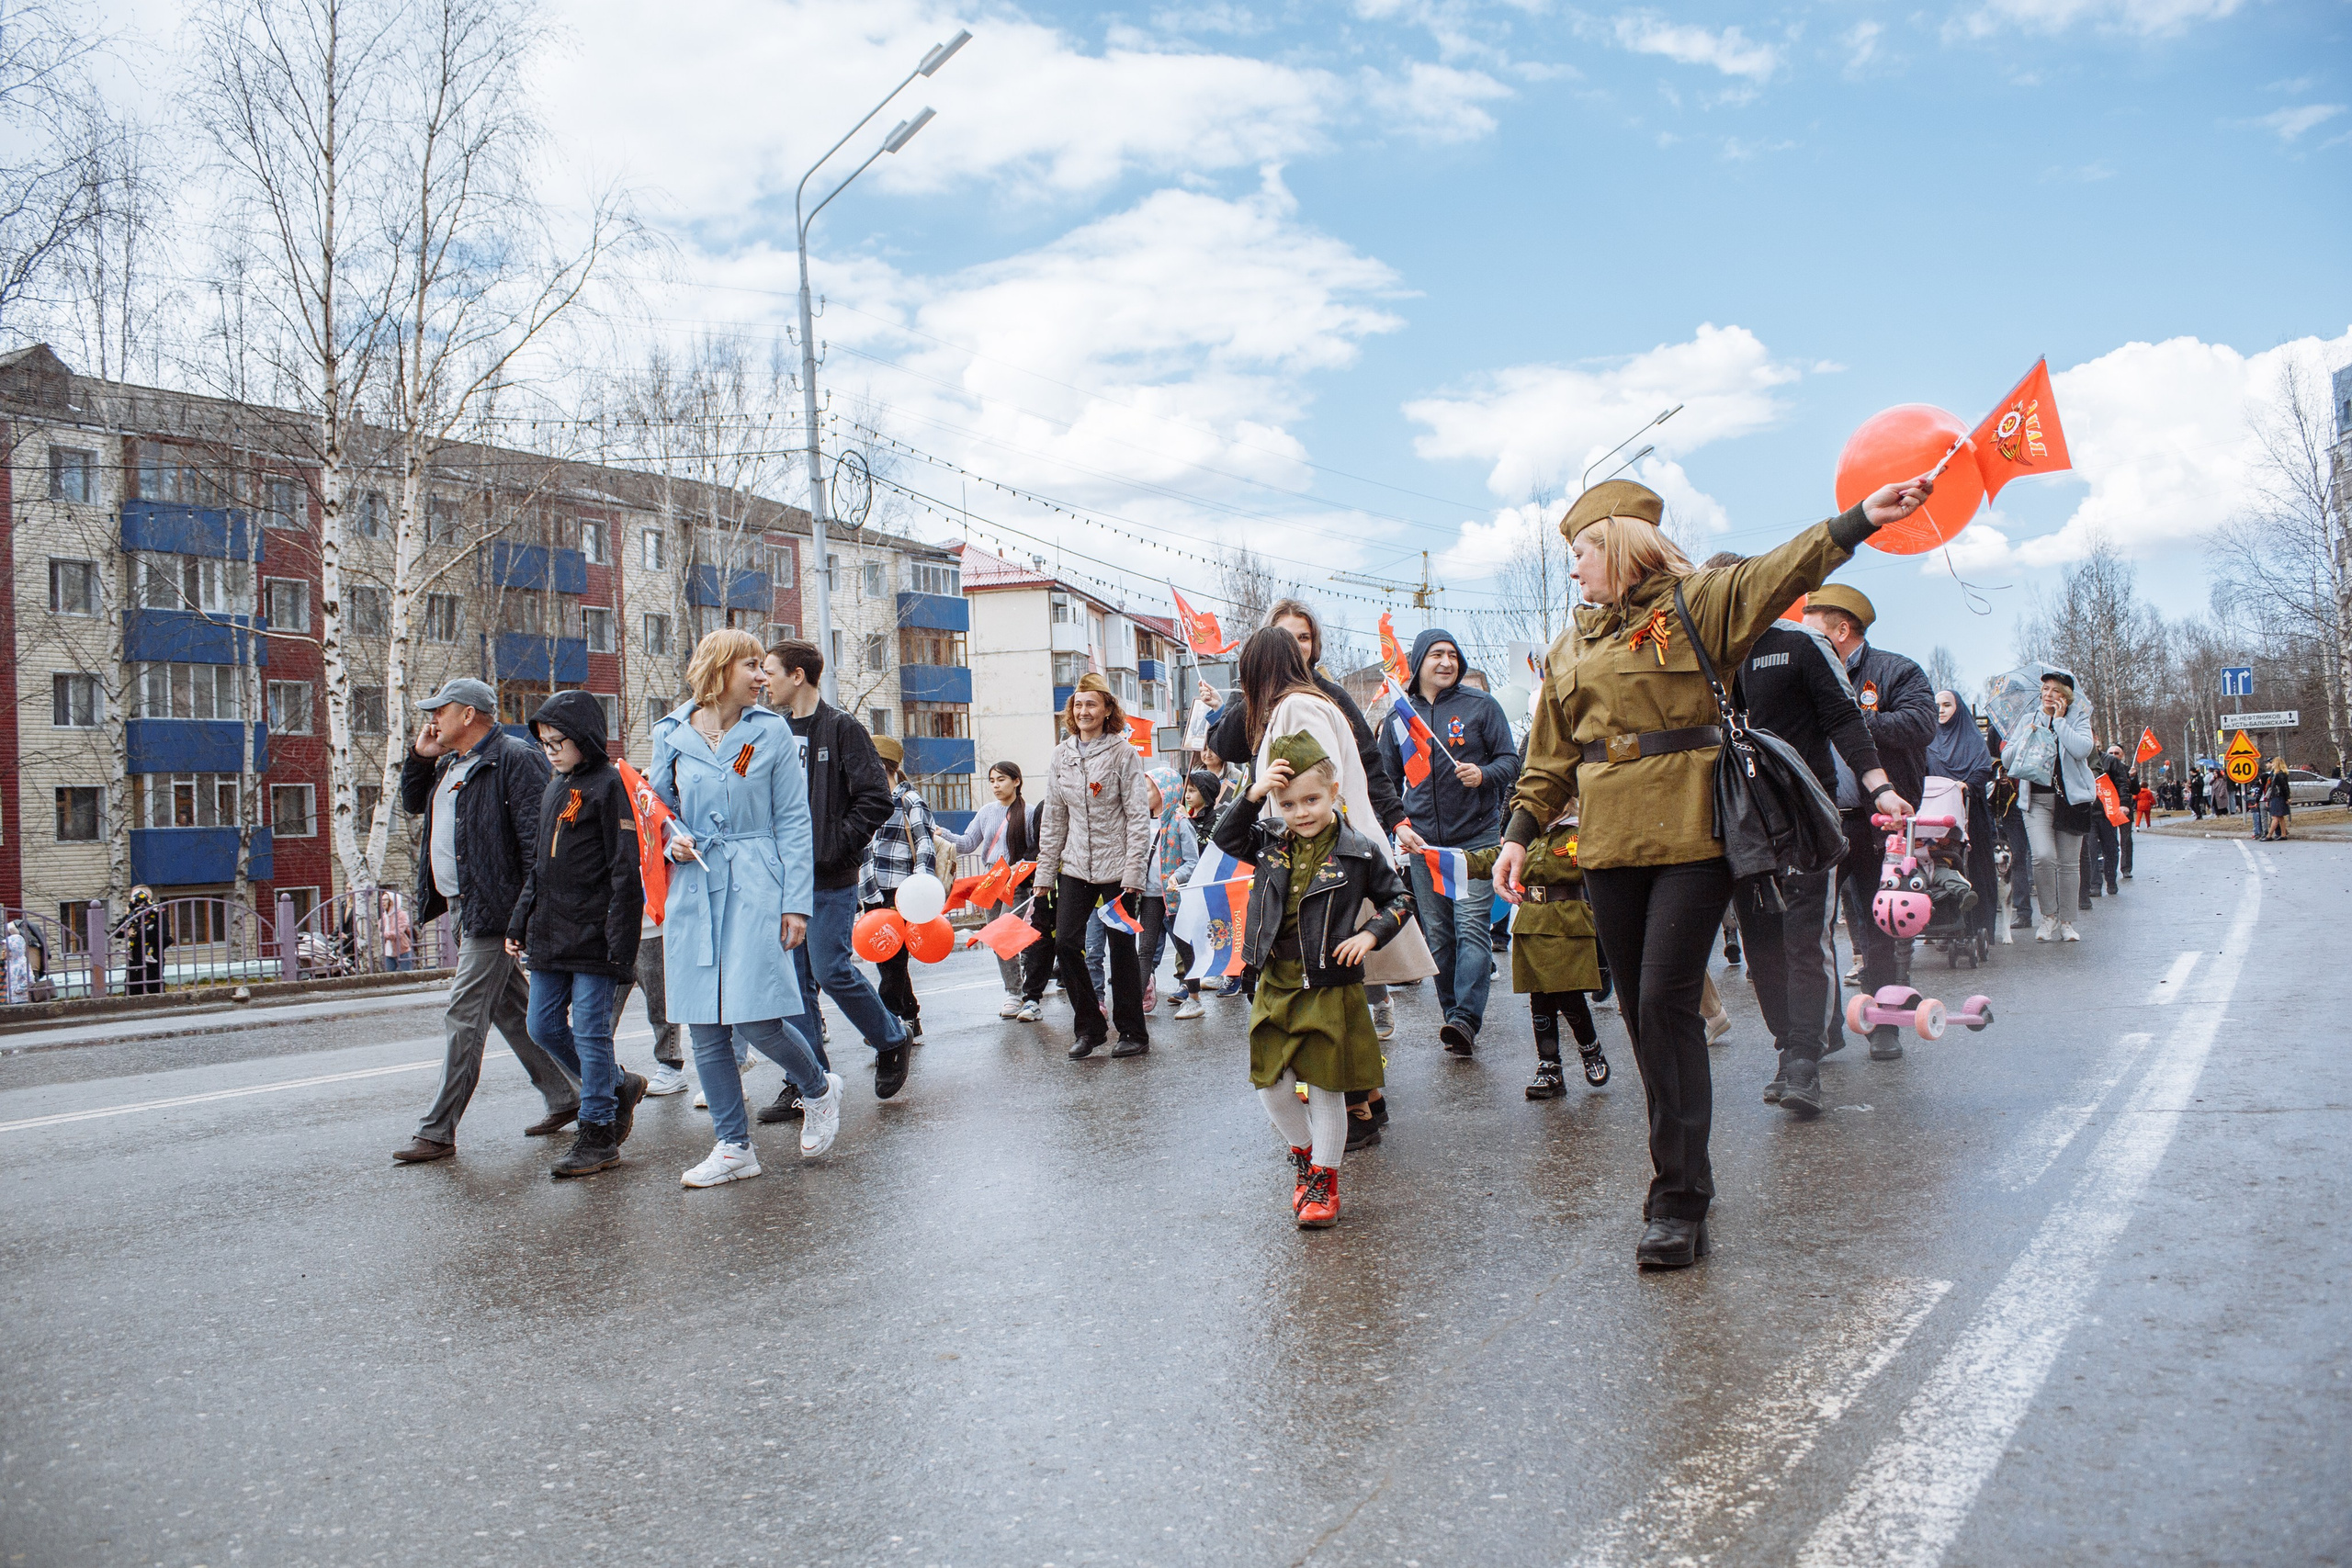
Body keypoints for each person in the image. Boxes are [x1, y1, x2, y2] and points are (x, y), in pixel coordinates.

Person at [1495, 472, 1935, 1269]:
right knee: (1642, 1020)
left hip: (1694, 832)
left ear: (1622, 545)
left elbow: (1779, 570)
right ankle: (1685, 1171)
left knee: (1665, 1002)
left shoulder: (1697, 604)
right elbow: (1549, 758)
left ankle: (1677, 1200)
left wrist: (1858, 520)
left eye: (1585, 548)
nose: (1575, 565)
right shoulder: (1570, 645)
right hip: (1609, 843)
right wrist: (1519, 833)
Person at [1701, 550, 1903, 1116]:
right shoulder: (1701, 660)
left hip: (1804, 817)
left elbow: (1845, 719)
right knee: (1762, 945)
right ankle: (1789, 1043)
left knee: (1802, 941)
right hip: (1740, 824)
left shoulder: (1800, 644)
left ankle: (1802, 1063)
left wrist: (1880, 786)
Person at [651, 629, 845, 1185]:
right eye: (751, 665)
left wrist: (796, 904)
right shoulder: (670, 732)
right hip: (695, 883)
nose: (763, 676)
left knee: (757, 1016)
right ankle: (734, 1147)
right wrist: (671, 840)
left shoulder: (772, 731)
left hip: (756, 880)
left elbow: (794, 820)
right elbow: (656, 807)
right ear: (719, 669)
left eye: (764, 666)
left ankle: (817, 1089)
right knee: (704, 1025)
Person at [1216, 729, 1412, 1229]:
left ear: (1334, 793)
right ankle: (1306, 1156)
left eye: (1311, 800)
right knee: (1271, 1084)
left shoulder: (1358, 850)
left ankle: (1325, 1180)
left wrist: (1370, 935)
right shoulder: (1268, 841)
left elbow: (1400, 899)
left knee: (1326, 1088)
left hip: (1329, 983)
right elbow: (1224, 837)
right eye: (1287, 803)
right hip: (1275, 980)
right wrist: (1254, 793)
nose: (1300, 812)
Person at [1206, 598, 1416, 1039]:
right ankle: (1332, 1048)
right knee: (1324, 952)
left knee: (1327, 953)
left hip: (1319, 850)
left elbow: (1319, 783)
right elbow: (1228, 746)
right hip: (1314, 847)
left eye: (1304, 636)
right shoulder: (1285, 703)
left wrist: (1312, 845)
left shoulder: (1299, 705)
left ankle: (1338, 1053)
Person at [392, 678, 579, 1164]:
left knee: (464, 1014)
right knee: (512, 1011)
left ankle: (437, 1130)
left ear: (469, 714)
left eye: (441, 710)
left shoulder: (514, 758)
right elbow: (412, 804)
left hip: (498, 910)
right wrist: (420, 757)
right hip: (464, 904)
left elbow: (538, 839)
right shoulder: (450, 763)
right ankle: (574, 1092)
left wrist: (526, 911)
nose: (433, 719)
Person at [757, 639, 915, 1113]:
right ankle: (809, 1082)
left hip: (829, 877)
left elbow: (875, 798)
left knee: (831, 969)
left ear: (798, 675)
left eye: (770, 672)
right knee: (795, 984)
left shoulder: (842, 727)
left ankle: (892, 1037)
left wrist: (834, 846)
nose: (763, 681)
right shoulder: (772, 730)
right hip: (782, 878)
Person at [505, 691, 649, 1179]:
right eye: (544, 743)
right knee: (542, 1026)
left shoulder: (610, 785)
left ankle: (598, 1132)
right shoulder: (555, 787)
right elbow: (539, 868)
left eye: (558, 742)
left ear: (584, 738)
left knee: (590, 1031)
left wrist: (620, 942)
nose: (550, 752)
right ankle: (618, 1083)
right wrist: (520, 921)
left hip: (596, 934)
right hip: (550, 931)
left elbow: (625, 870)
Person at [1803, 586, 1937, 1064]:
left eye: (1812, 628)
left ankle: (1884, 1022)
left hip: (1877, 823)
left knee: (1880, 926)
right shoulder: (1802, 673)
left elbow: (1920, 725)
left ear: (1841, 630)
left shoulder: (1897, 671)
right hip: (1820, 819)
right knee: (1810, 929)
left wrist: (1848, 719)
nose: (1802, 636)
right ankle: (1822, 1031)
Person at [1377, 626, 1519, 1056]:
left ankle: (1466, 1019)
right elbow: (1385, 781)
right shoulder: (1400, 718)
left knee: (1472, 928)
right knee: (1439, 936)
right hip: (1424, 846)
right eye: (1436, 654)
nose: (1446, 662)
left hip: (1476, 840)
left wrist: (1484, 774)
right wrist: (1398, 825)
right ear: (1419, 661)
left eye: (1452, 654)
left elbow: (1511, 761)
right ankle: (1452, 1016)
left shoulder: (1481, 706)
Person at [1037, 671, 1155, 1059]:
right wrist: (1044, 874)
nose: (1083, 710)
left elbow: (1138, 816)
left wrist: (1135, 873)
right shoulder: (1061, 755)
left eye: (1092, 704)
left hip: (1118, 868)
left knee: (1121, 949)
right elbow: (1054, 818)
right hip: (1075, 867)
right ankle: (1090, 1027)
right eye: (1078, 704)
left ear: (1107, 709)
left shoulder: (1123, 753)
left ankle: (1132, 1032)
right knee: (1066, 943)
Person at [1465, 812, 1608, 1100]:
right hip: (1531, 924)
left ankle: (1589, 1048)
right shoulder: (1524, 834)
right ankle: (1549, 1067)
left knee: (1568, 992)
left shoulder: (1582, 830)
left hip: (1569, 923)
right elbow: (1491, 859)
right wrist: (1436, 856)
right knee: (1539, 998)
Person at [2001, 668, 2097, 943]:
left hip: (2071, 801)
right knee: (2042, 857)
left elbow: (2082, 750)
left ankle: (2067, 922)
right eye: (2045, 690)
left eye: (2055, 690)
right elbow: (2007, 759)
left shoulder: (2078, 718)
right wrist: (2026, 737)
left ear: (2066, 695)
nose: (2048, 695)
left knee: (2068, 864)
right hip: (2036, 801)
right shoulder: (2029, 719)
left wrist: (2060, 722)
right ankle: (2048, 916)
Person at [857, 735, 939, 1044]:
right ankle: (909, 1015)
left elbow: (924, 844)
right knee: (884, 959)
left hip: (900, 892)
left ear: (882, 766)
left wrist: (920, 889)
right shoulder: (863, 800)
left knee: (893, 961)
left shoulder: (909, 801)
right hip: (871, 890)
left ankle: (891, 1021)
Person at [944, 761, 1037, 1019]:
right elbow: (967, 843)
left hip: (1016, 880)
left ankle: (1017, 992)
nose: (996, 786)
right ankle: (1015, 990)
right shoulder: (986, 812)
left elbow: (1036, 848)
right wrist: (941, 834)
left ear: (1016, 781)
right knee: (997, 938)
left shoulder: (1029, 812)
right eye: (992, 781)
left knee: (1005, 933)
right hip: (990, 880)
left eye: (1001, 780)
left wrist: (1020, 867)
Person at [1928, 690, 2003, 949]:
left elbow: (1983, 769)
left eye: (1947, 705)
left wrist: (1966, 784)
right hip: (1938, 813)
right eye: (1937, 705)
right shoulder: (1929, 740)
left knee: (1975, 865)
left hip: (1970, 811)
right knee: (1939, 863)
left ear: (1958, 708)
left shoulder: (1972, 738)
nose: (1940, 710)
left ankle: (1979, 925)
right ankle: (1944, 925)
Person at [116, 886, 171, 996]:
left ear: (147, 897)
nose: (134, 900)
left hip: (153, 960)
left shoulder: (156, 913)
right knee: (132, 992)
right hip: (134, 960)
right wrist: (127, 916)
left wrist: (136, 932)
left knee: (156, 990)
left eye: (137, 896)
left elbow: (162, 936)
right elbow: (118, 933)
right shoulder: (133, 914)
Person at [380, 890, 414, 972]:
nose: (383, 902)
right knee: (389, 976)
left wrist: (383, 935)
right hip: (388, 952)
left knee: (406, 975)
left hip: (402, 950)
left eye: (385, 900)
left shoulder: (401, 915)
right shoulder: (384, 916)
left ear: (392, 901)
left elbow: (398, 933)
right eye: (382, 900)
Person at [2267, 758, 2291, 840]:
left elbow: (2285, 787)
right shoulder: (2276, 774)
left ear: (2277, 763)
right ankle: (2283, 834)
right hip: (2277, 796)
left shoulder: (2279, 774)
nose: (2272, 764)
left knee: (2275, 817)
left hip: (2278, 797)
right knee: (2280, 817)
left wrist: (2287, 798)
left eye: (2273, 762)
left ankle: (2269, 835)